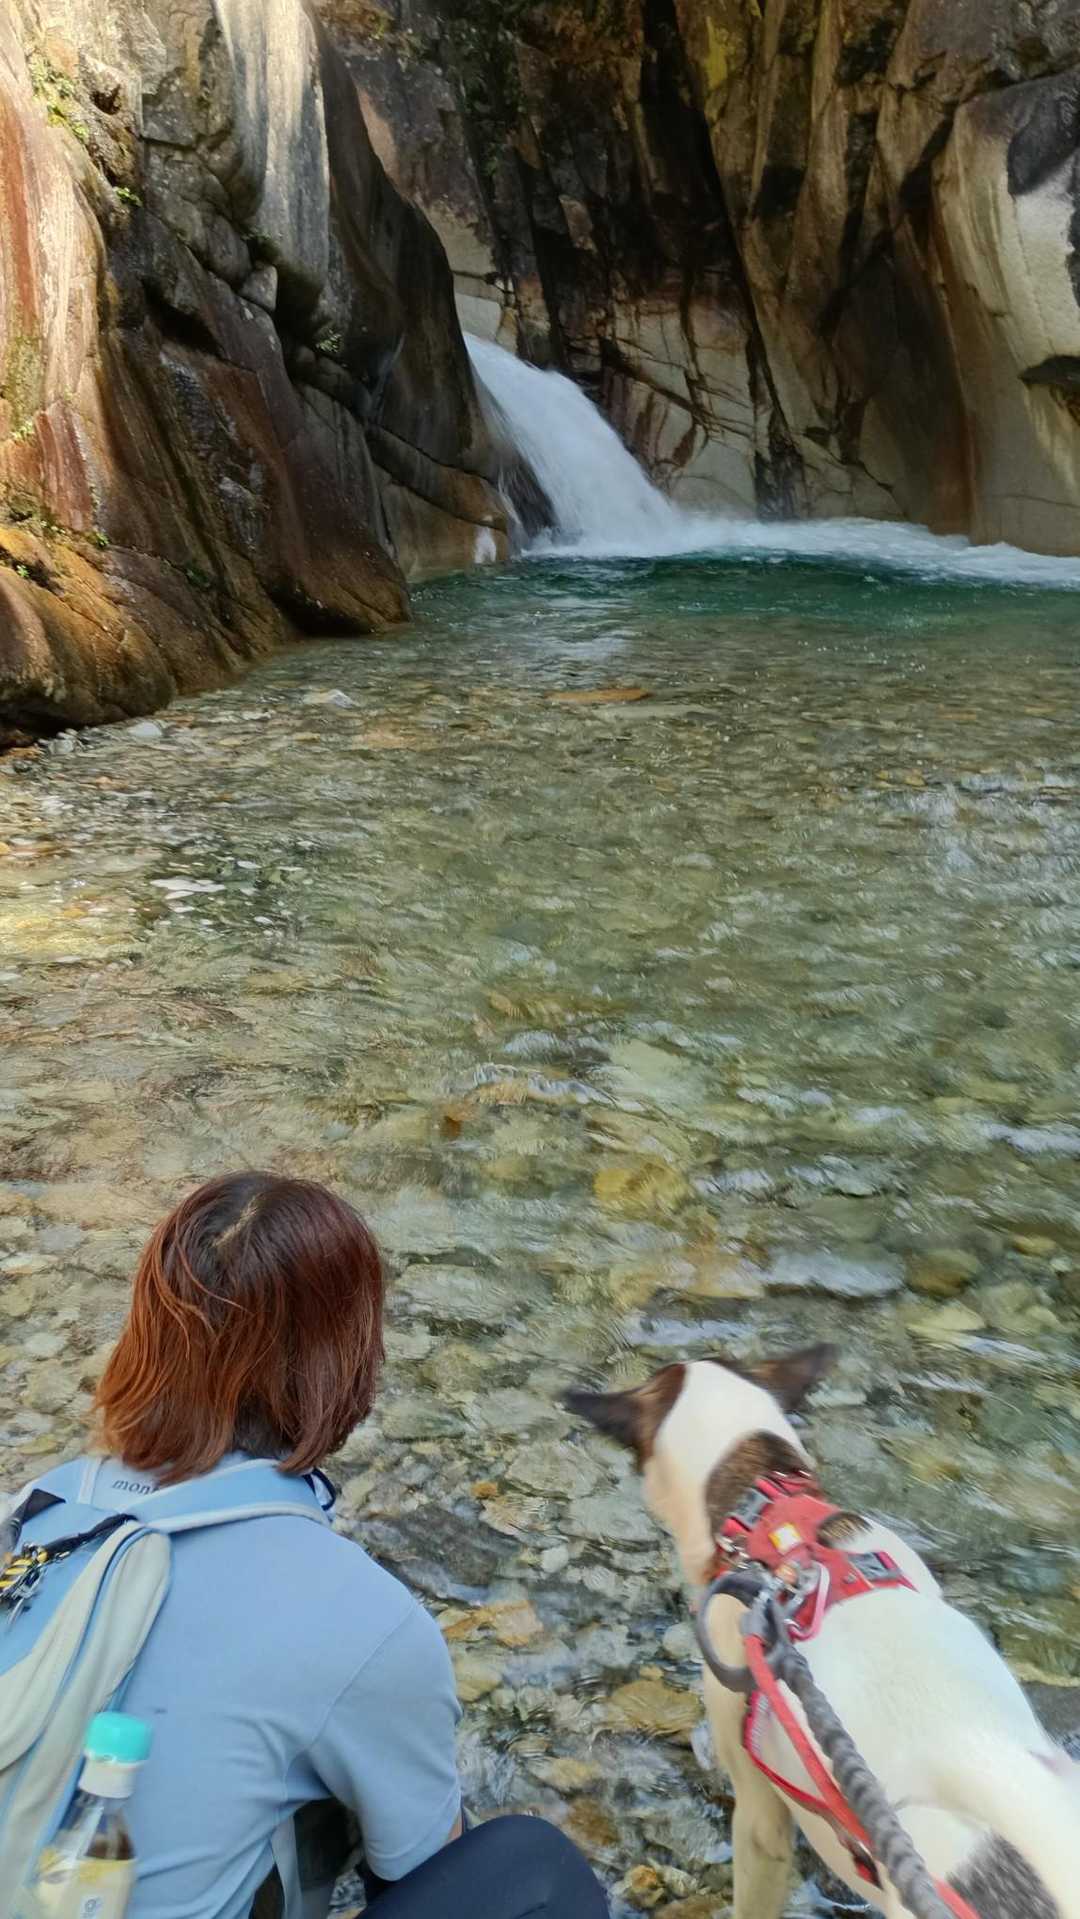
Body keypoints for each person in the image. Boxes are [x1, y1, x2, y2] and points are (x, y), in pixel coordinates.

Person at [28, 1172, 608, 1919]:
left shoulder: (38, 1504)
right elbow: (419, 1863)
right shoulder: (362, 1618)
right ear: (345, 1358)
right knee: (528, 1866)